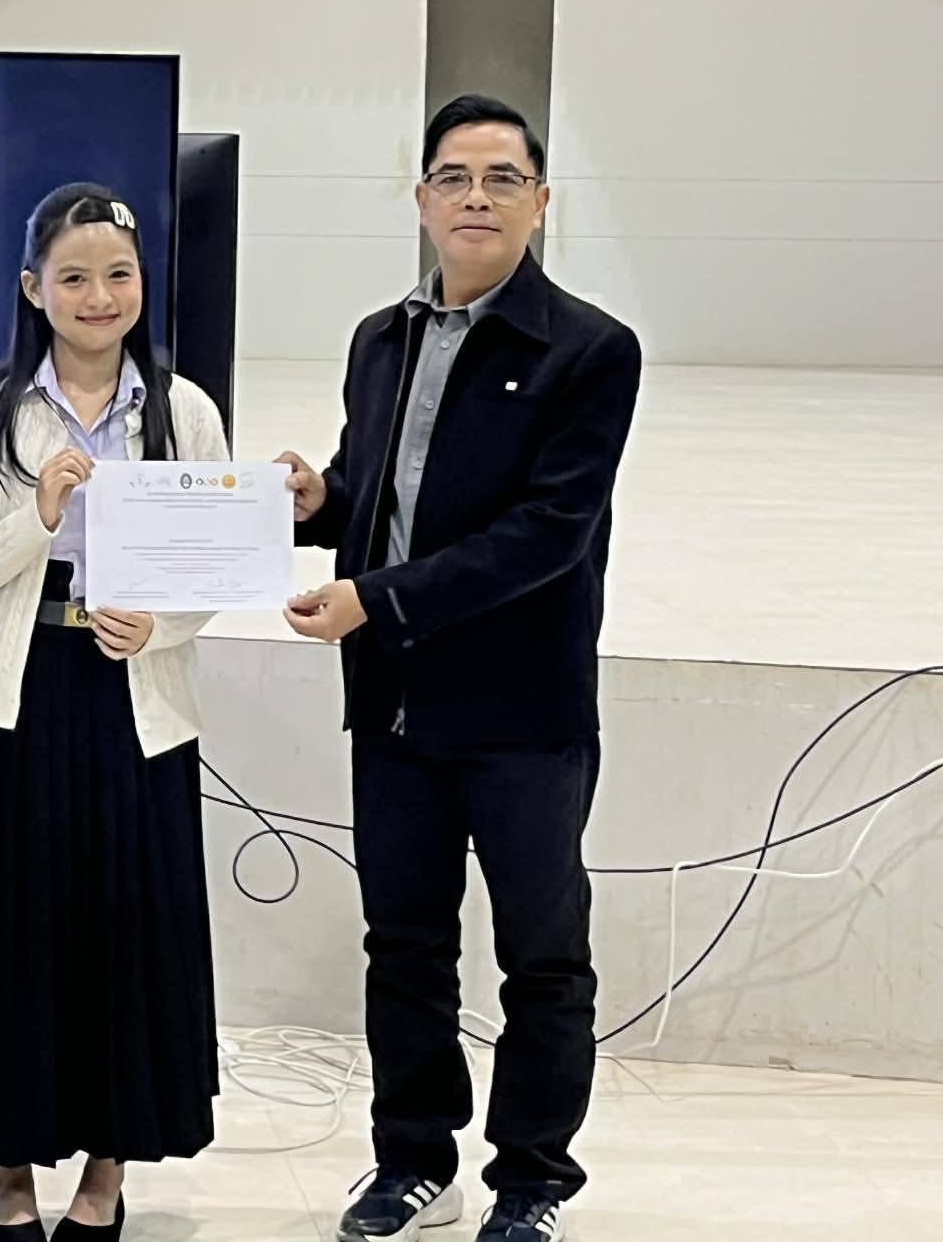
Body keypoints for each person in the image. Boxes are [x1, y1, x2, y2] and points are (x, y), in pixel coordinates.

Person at [278, 96, 642, 1242]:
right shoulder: (378, 339)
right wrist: (316, 503)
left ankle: (530, 1181)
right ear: (421, 199)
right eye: (452, 177)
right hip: (394, 704)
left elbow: (546, 536)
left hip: (523, 712)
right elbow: (374, 491)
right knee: (404, 948)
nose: (473, 197)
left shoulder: (588, 350)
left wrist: (373, 601)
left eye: (499, 178)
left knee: (541, 958)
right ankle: (410, 1162)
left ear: (540, 202)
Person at [0, 183, 230, 1242]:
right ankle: (8, 1177)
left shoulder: (184, 411)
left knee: (125, 937)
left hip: (135, 701)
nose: (99, 297)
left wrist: (161, 626)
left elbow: (212, 562)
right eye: (74, 277)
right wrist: (37, 516)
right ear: (32, 288)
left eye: (118, 276)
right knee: (8, 940)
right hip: (12, 700)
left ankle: (105, 1174)